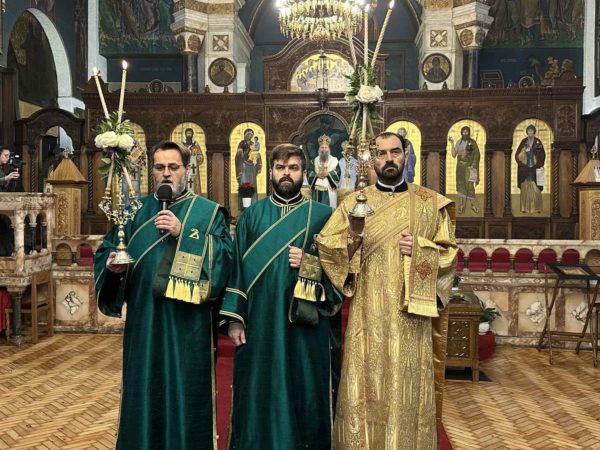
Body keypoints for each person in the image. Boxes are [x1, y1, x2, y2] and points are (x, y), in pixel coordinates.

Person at [316, 131, 458, 449]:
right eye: (381, 153)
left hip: (412, 320)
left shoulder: (430, 204)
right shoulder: (353, 204)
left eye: (395, 152)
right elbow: (327, 247)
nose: (389, 159)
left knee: (408, 391)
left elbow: (450, 255)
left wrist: (422, 249)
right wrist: (353, 238)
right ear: (372, 160)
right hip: (368, 317)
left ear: (406, 155)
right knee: (365, 389)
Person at [94, 141, 233, 450]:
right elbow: (108, 250)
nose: (166, 173)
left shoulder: (207, 213)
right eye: (159, 167)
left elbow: (224, 258)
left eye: (173, 167)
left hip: (188, 326)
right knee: (144, 390)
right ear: (152, 172)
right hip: (144, 322)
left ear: (187, 170)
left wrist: (183, 233)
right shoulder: (133, 211)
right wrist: (113, 268)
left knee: (185, 392)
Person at [221, 143, 342, 450]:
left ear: (305, 172)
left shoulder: (324, 216)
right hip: (259, 320)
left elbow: (341, 272)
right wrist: (235, 318)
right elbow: (236, 269)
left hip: (306, 324)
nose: (286, 174)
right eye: (280, 168)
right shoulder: (251, 216)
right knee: (259, 387)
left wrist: (310, 263)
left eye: (293, 168)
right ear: (271, 172)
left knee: (305, 388)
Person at [515, 124, 546, 213]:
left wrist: (538, 162)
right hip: (525, 168)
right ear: (527, 132)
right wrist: (524, 151)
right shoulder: (524, 142)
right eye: (529, 132)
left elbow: (542, 154)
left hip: (535, 168)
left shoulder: (538, 142)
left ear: (534, 132)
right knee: (525, 187)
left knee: (536, 188)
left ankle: (537, 208)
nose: (530, 133)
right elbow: (517, 156)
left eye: (532, 131)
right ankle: (525, 208)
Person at [450, 126, 480, 214]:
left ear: (469, 133)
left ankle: (472, 205)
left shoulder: (472, 142)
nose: (465, 134)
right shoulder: (458, 142)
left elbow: (477, 154)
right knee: (460, 185)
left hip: (469, 166)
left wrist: (473, 164)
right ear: (461, 133)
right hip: (460, 167)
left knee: (469, 186)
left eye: (467, 132)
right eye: (464, 132)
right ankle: (461, 206)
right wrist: (452, 143)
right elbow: (454, 155)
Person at [308, 134, 340, 208]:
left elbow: (338, 173)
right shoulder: (314, 161)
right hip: (317, 190)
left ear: (328, 149)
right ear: (319, 149)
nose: (324, 149)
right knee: (317, 208)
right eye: (322, 147)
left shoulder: (334, 161)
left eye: (326, 147)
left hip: (329, 190)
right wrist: (316, 175)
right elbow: (309, 172)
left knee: (329, 209)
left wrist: (328, 174)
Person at [235, 128, 262, 208]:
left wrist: (257, 155)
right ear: (245, 135)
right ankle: (243, 206)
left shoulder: (253, 144)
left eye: (251, 134)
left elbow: (256, 152)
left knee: (252, 183)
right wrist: (242, 152)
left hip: (252, 167)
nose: (249, 136)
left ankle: (253, 204)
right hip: (243, 166)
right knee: (243, 182)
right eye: (248, 134)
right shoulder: (241, 143)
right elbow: (238, 155)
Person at [182, 127, 204, 195]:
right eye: (187, 133)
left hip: (194, 166)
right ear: (185, 135)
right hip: (185, 167)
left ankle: (195, 195)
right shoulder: (182, 145)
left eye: (190, 133)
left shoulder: (196, 145)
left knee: (194, 180)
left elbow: (200, 156)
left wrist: (197, 157)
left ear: (192, 135)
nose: (189, 135)